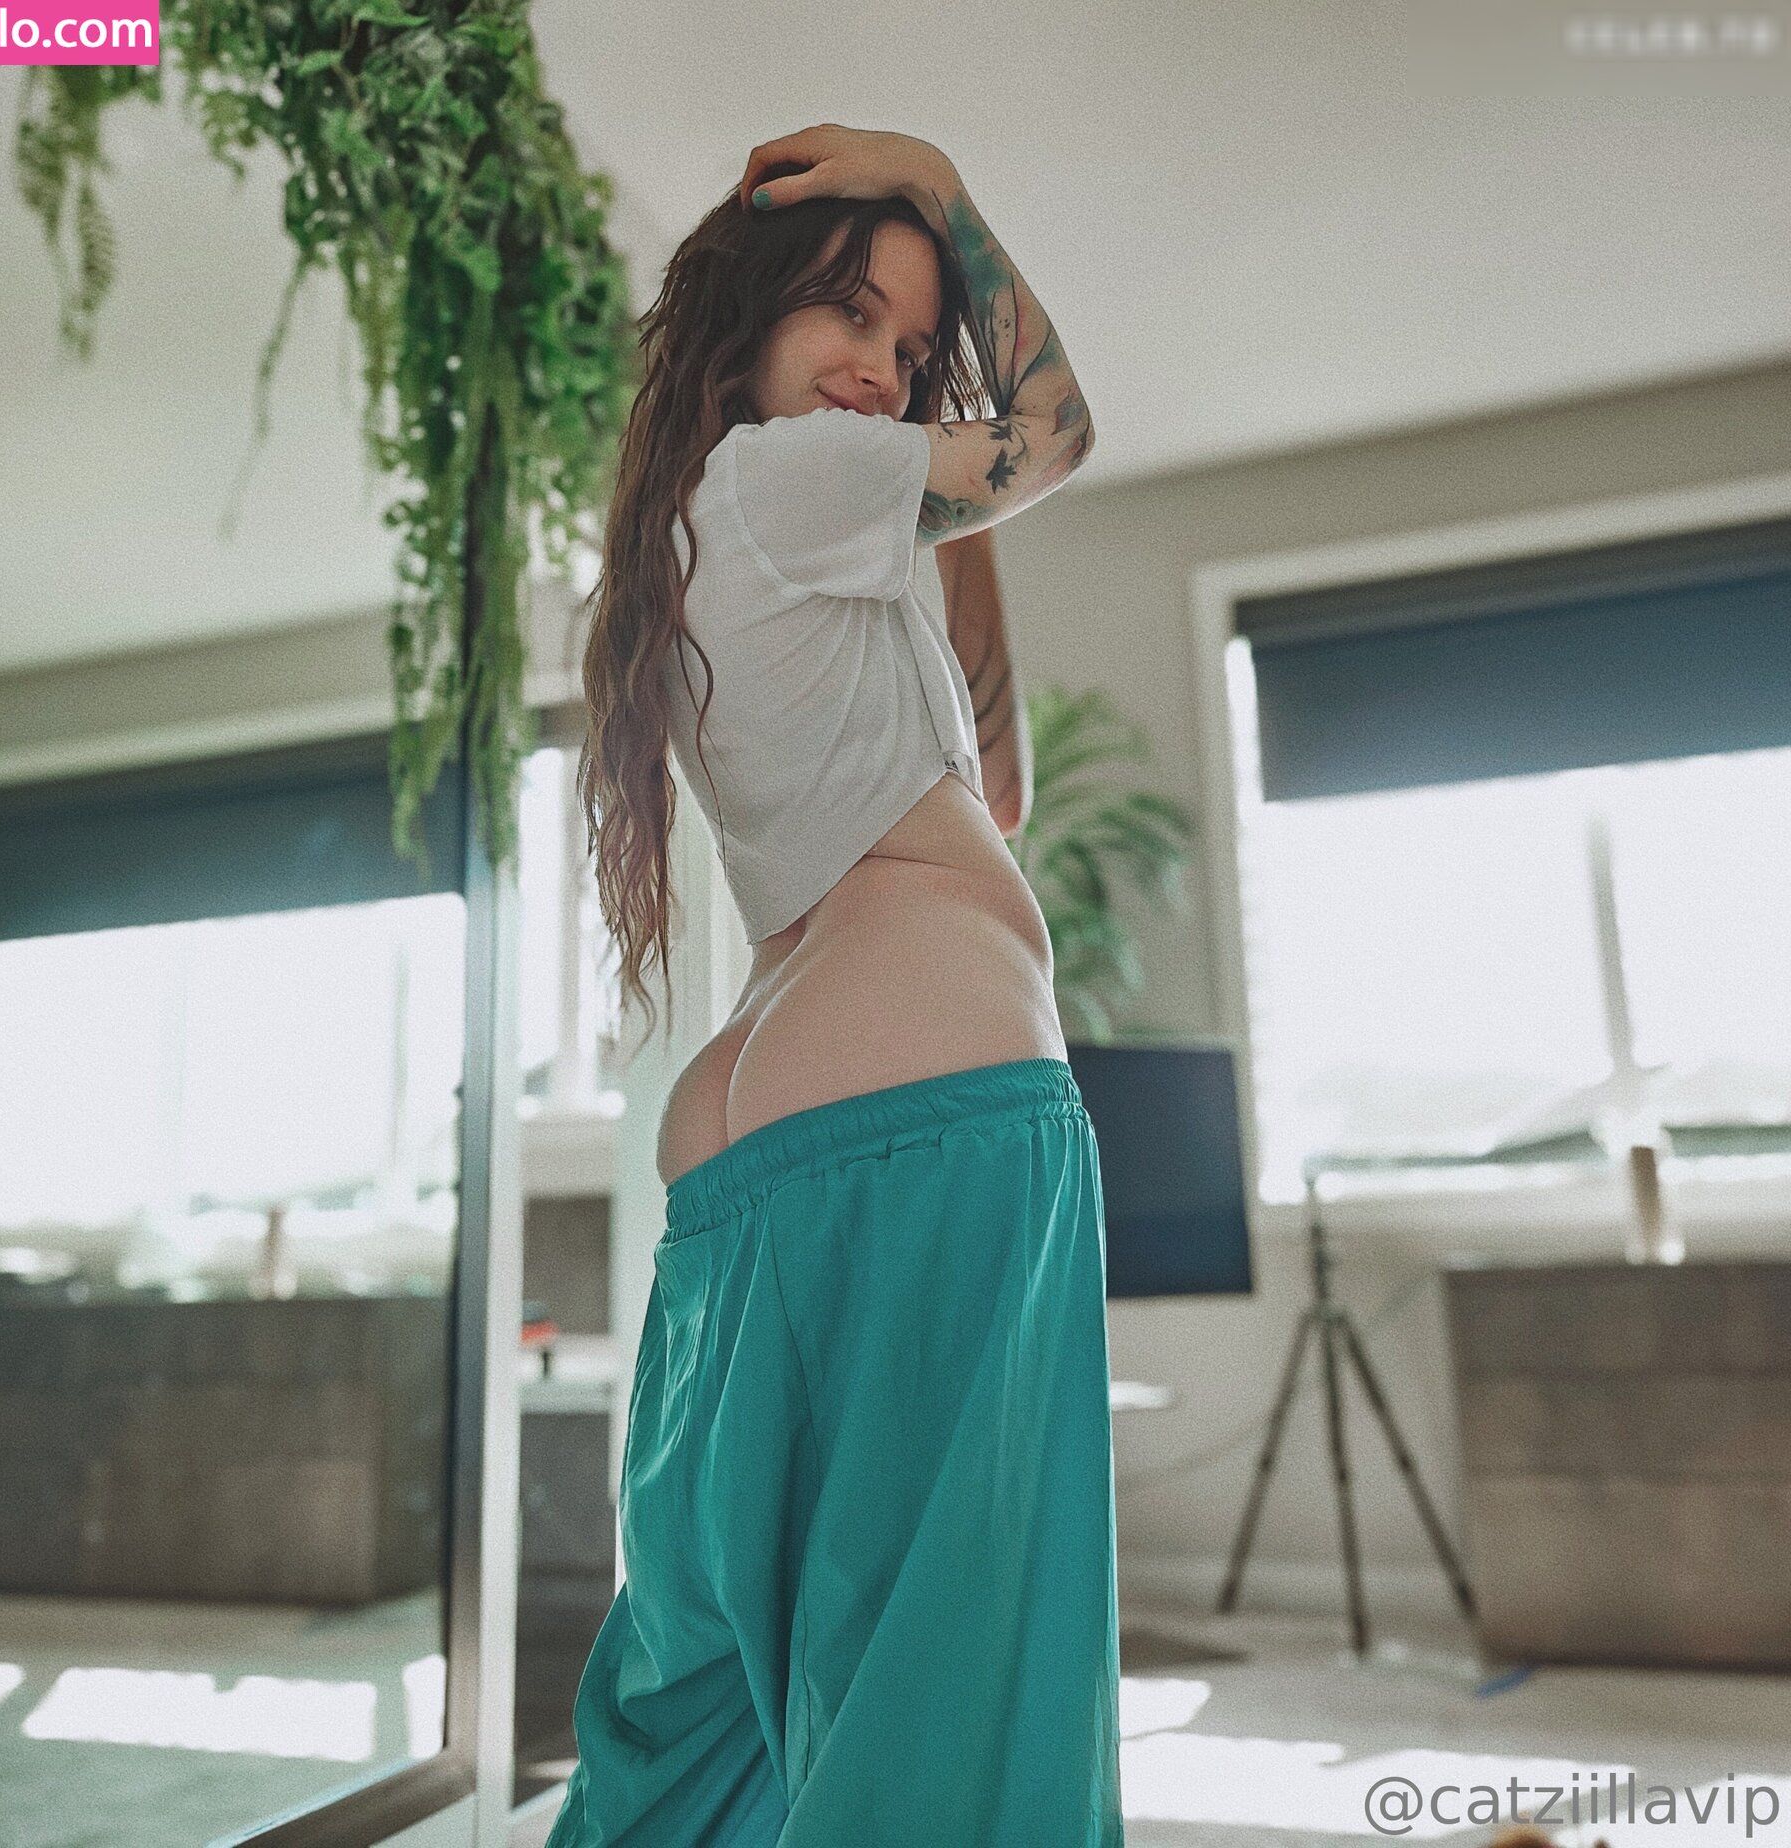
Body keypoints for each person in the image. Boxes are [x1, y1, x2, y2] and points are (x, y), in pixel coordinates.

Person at [554, 123, 1124, 1846]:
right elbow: (1057, 437)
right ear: (750, 322)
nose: (882, 366)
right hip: (915, 1079)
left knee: (708, 1711)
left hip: (770, 1104)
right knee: (950, 1697)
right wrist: (940, 178)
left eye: (911, 342)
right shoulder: (789, 477)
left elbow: (975, 786)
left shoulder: (705, 529)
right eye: (848, 314)